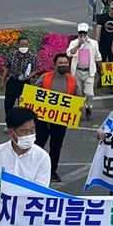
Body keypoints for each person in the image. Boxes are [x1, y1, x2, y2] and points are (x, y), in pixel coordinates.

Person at [34, 53, 76, 182]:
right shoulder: (45, 77)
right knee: (38, 144)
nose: (63, 65)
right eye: (61, 63)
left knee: (56, 146)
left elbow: (76, 97)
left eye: (65, 63)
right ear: (55, 65)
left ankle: (52, 171)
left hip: (60, 119)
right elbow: (34, 93)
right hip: (42, 118)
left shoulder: (72, 80)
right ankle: (34, 170)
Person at [67, 23, 102, 120]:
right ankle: (77, 111)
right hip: (77, 71)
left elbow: (98, 57)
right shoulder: (74, 43)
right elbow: (69, 54)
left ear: (87, 33)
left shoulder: (93, 43)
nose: (82, 34)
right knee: (78, 93)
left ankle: (88, 107)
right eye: (80, 33)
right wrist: (79, 44)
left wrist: (101, 69)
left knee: (89, 93)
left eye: (84, 33)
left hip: (89, 71)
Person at [0, 36, 37, 125]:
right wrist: (2, 82)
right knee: (8, 105)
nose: (24, 46)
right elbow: (6, 68)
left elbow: (35, 70)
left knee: (23, 105)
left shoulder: (31, 56)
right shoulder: (11, 55)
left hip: (25, 83)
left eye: (26, 45)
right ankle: (9, 124)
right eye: (22, 44)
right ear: (18, 45)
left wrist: (28, 77)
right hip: (13, 82)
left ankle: (22, 124)